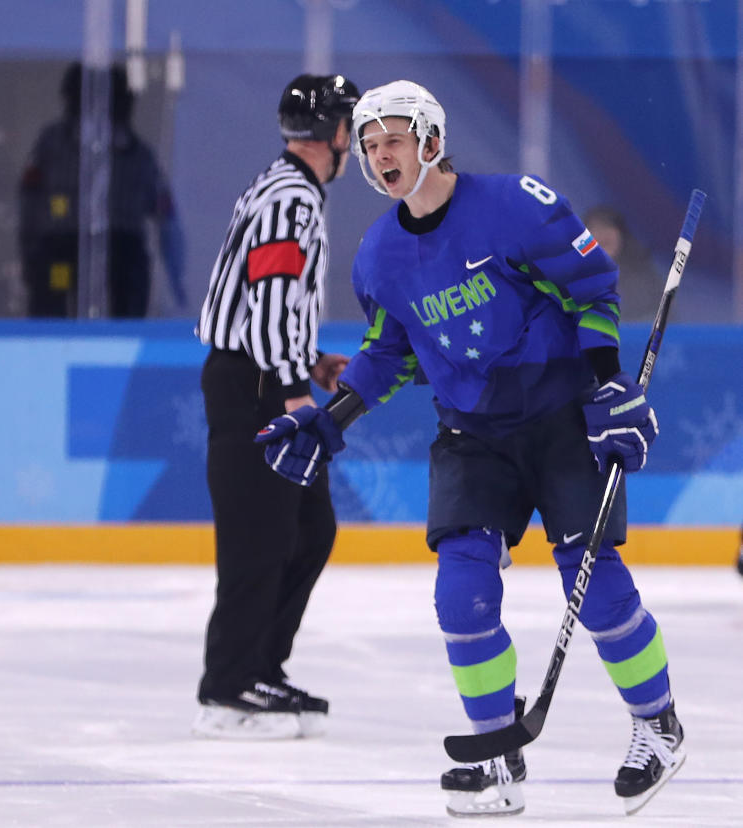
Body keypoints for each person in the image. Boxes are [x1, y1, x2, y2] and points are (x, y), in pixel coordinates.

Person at [255, 80, 684, 815]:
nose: (379, 154)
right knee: (462, 597)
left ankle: (659, 725)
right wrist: (333, 418)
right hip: (472, 434)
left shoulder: (516, 204)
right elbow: (389, 352)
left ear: (430, 140)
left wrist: (610, 385)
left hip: (556, 416)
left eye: (392, 139)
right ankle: (498, 758)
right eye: (368, 144)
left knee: (596, 580)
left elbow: (592, 288)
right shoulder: (380, 256)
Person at [190, 74, 359, 740]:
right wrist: (294, 389)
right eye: (351, 125)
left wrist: (308, 361)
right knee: (260, 541)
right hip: (257, 387)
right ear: (335, 134)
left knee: (306, 530)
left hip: (262, 377)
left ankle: (259, 667)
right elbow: (268, 302)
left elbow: (272, 303)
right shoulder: (291, 199)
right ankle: (230, 685)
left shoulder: (284, 189)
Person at [18, 62, 186, 318]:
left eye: (114, 102)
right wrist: (30, 250)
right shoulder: (50, 146)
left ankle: (125, 346)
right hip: (61, 249)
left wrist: (176, 279)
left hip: (121, 252)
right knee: (52, 298)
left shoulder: (140, 157)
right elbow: (29, 202)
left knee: (128, 284)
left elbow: (166, 217)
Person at [584, 206, 663, 323]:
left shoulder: (643, 275)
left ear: (622, 234)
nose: (602, 235)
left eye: (608, 227)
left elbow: (660, 319)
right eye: (595, 229)